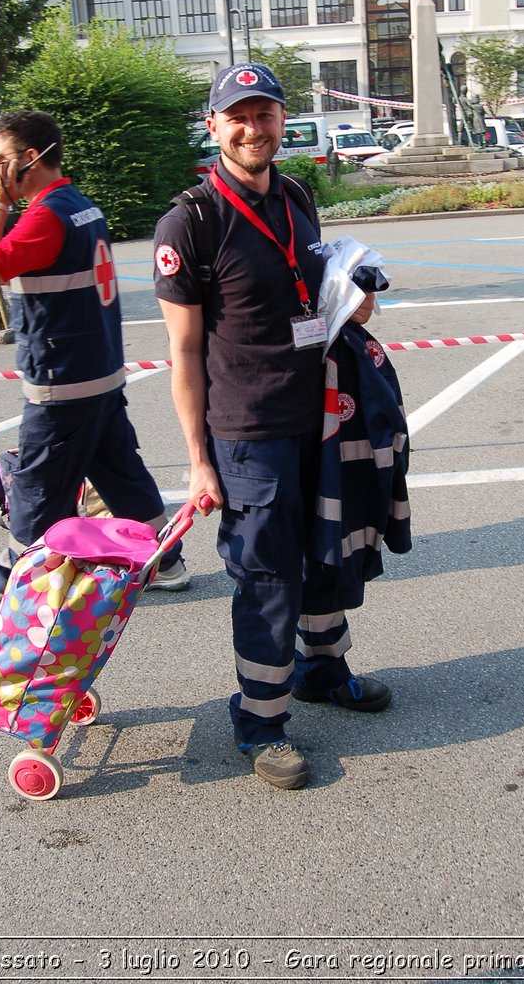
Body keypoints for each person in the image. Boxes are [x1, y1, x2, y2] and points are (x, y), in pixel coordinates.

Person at [153, 63, 392, 790]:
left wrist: (350, 303)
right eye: (239, 116)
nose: (254, 128)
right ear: (215, 126)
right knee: (265, 573)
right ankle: (259, 721)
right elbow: (184, 352)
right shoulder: (190, 222)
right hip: (246, 427)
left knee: (324, 551)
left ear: (283, 121)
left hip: (318, 412)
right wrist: (199, 461)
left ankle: (323, 670)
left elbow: (312, 293)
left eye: (267, 114)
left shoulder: (294, 195)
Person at [0, 110, 189, 610]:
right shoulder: (81, 207)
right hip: (99, 373)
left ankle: (11, 579)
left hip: (61, 383)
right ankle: (166, 561)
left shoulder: (45, 217)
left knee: (39, 485)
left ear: (29, 158)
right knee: (120, 474)